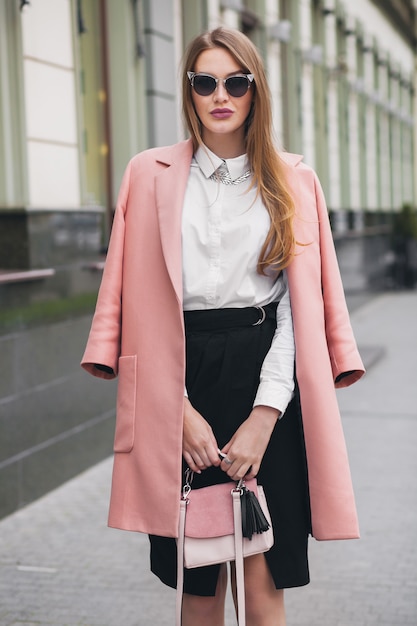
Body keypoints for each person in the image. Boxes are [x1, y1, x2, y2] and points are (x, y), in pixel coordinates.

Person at [81, 26, 365, 626]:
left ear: (255, 90)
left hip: (268, 376)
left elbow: (298, 303)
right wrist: (175, 411)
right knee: (200, 587)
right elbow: (136, 302)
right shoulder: (147, 174)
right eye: (205, 81)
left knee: (263, 592)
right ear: (189, 91)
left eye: (236, 81)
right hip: (179, 378)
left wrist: (265, 416)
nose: (221, 95)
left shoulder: (293, 180)